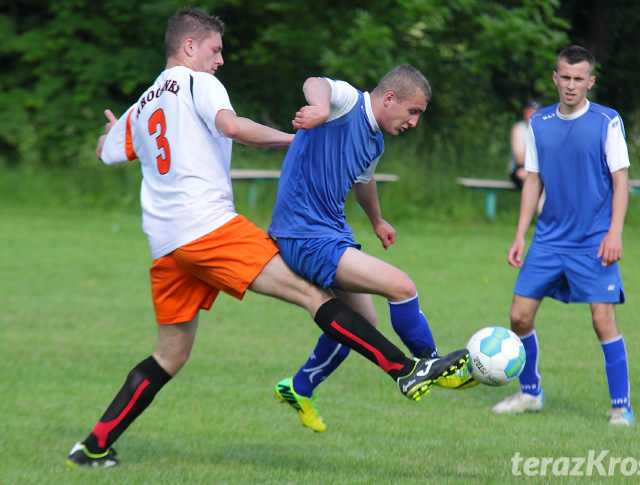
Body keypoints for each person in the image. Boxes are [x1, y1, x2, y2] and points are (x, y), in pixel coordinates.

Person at [66, 8, 468, 468]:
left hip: (166, 246)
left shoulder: (144, 103)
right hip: (208, 228)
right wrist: (290, 140)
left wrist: (109, 132)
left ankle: (94, 445)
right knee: (311, 292)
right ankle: (403, 370)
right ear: (190, 47)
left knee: (170, 355)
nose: (220, 59)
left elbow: (107, 150)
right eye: (215, 49)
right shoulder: (199, 82)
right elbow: (233, 127)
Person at [268, 66, 476, 433]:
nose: (414, 122)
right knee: (402, 286)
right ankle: (429, 363)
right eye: (413, 112)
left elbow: (363, 180)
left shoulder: (375, 140)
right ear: (390, 98)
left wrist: (378, 221)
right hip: (304, 234)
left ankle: (299, 387)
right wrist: (317, 107)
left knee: (362, 324)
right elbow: (314, 82)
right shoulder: (348, 103)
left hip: (329, 232)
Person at [492, 45, 633, 426]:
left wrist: (614, 232)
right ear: (556, 78)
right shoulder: (539, 122)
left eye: (579, 78)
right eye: (565, 78)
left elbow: (621, 182)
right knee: (518, 317)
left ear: (590, 81)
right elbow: (533, 180)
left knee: (602, 321)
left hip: (594, 241)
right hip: (550, 240)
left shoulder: (607, 121)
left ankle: (621, 406)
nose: (571, 85)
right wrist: (521, 234)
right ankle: (530, 394)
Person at [508, 100, 540, 189]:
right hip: (519, 169)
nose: (533, 114)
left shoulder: (544, 130)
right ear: (524, 113)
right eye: (530, 112)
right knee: (532, 177)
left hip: (538, 169)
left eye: (536, 112)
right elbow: (520, 159)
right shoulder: (519, 129)